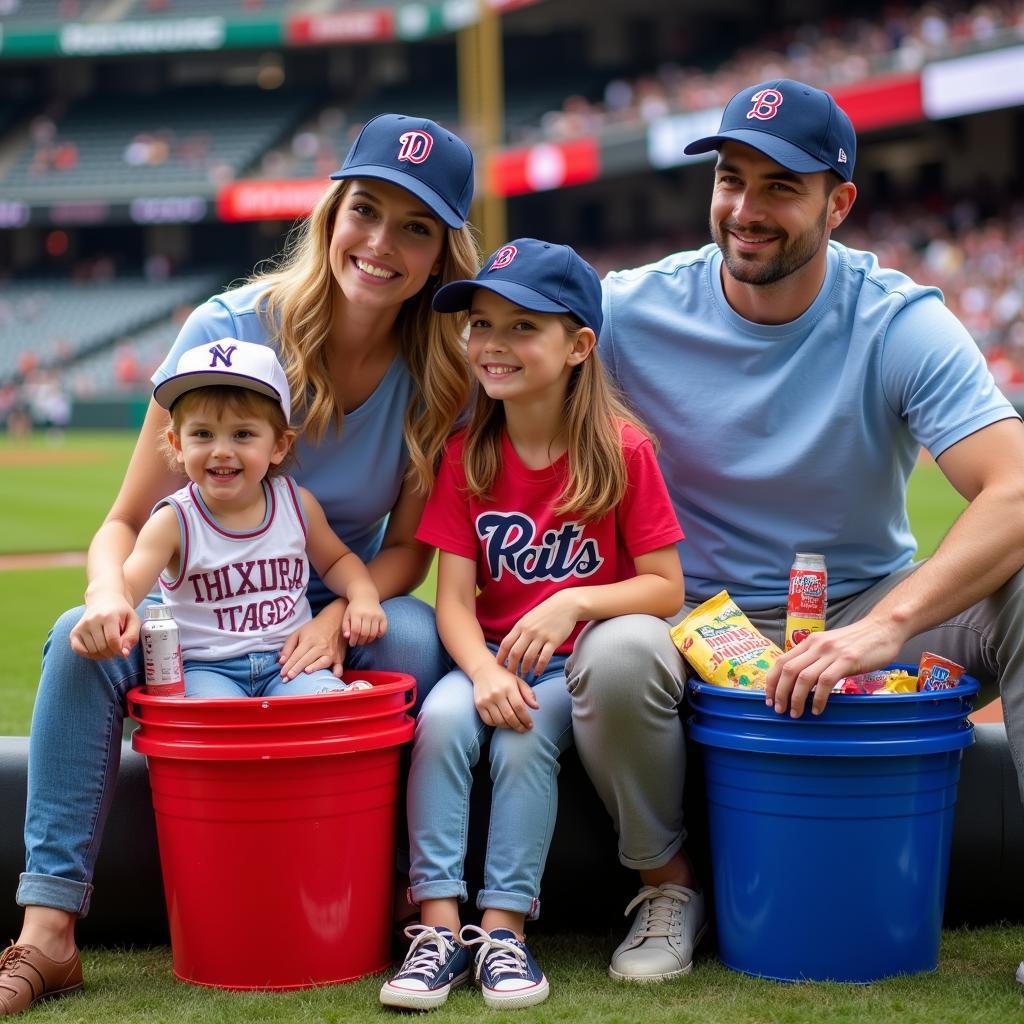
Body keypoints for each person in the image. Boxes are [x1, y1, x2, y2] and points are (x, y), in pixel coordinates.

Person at [1, 113, 479, 1016]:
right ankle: (48, 931)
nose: (380, 244)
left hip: (337, 596)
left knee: (411, 639)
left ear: (441, 250)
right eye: (365, 210)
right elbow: (125, 521)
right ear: (333, 210)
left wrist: (344, 610)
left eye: (415, 227)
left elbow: (410, 546)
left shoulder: (439, 371)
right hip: (202, 606)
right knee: (75, 639)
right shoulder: (229, 326)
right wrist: (109, 593)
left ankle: (375, 900)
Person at [567, 77, 1024, 984]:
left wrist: (883, 627)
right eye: (732, 178)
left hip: (864, 609)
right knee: (616, 653)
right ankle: (667, 888)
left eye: (781, 186)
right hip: (691, 622)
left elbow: (1014, 486)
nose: (745, 208)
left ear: (838, 202)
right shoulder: (628, 311)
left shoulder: (898, 320)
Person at [379, 239, 684, 1010]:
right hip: (484, 664)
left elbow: (664, 588)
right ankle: (437, 930)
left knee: (520, 743)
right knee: (442, 723)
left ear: (580, 346)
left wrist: (575, 601)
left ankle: (504, 931)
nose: (493, 345)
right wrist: (479, 671)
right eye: (481, 324)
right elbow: (451, 600)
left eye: (522, 327)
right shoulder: (468, 452)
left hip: (569, 672)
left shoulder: (622, 450)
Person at [73, 339, 388, 698]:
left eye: (243, 434)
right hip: (206, 668)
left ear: (279, 445)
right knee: (213, 727)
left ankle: (332, 700)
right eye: (202, 434)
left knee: (326, 710)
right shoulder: (174, 521)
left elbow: (338, 561)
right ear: (177, 444)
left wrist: (362, 595)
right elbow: (128, 585)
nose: (222, 451)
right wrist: (109, 598)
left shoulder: (296, 504)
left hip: (288, 661)